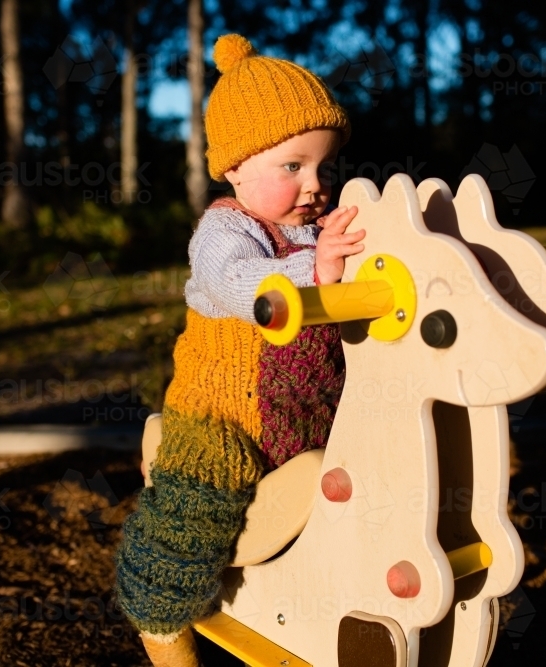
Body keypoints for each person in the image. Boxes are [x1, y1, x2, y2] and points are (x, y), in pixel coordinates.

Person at [115, 33, 364, 666]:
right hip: (223, 417)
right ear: (234, 166)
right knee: (195, 506)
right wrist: (319, 269)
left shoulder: (315, 235)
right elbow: (236, 284)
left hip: (308, 420)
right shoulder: (227, 231)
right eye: (293, 166)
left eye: (325, 166)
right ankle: (164, 623)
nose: (315, 184)